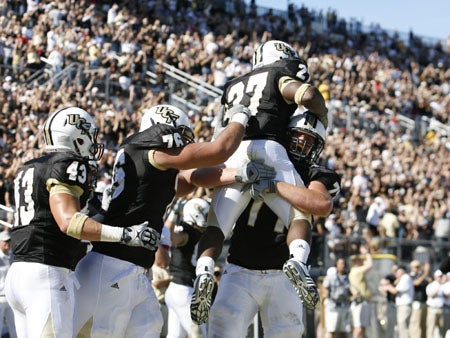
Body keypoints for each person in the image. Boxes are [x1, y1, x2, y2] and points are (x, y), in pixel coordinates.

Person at [72, 104, 272, 337]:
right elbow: (221, 149)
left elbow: (191, 179)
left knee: (150, 329)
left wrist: (239, 174)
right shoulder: (150, 149)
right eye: (182, 137)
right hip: (112, 266)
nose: (185, 144)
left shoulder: (151, 165)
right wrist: (241, 116)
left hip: (134, 270)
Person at [192, 40, 329, 323]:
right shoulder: (278, 74)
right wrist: (321, 111)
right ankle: (298, 261)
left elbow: (221, 134)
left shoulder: (233, 85)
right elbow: (307, 94)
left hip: (235, 151)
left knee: (216, 226)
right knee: (299, 215)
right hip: (270, 147)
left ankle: (204, 269)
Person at [4, 106, 158, 338]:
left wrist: (101, 211)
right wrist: (127, 235)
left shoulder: (31, 166)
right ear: (76, 135)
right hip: (47, 274)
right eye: (90, 135)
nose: (93, 142)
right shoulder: (68, 164)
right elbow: (70, 223)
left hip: (19, 273)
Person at [203, 111, 341, 337]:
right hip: (240, 268)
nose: (302, 142)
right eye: (299, 135)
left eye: (310, 139)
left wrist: (274, 186)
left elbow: (321, 203)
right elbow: (200, 176)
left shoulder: (314, 173)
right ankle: (204, 267)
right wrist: (241, 174)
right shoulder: (256, 159)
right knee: (222, 332)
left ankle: (297, 262)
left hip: (283, 274)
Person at [164, 198, 210, 338]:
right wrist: (172, 214)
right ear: (196, 214)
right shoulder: (187, 232)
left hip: (176, 289)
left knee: (175, 336)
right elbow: (169, 237)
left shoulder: (194, 232)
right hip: (183, 290)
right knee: (200, 335)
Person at [381, 265, 414, 338]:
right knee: (401, 327)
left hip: (404, 306)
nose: (396, 273)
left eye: (397, 271)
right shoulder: (401, 278)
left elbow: (395, 291)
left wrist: (387, 286)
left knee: (403, 327)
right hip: (401, 307)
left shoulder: (405, 278)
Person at [323, 258, 352, 338]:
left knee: (344, 331)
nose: (342, 265)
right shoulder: (331, 277)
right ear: (336, 265)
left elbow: (349, 292)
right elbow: (325, 287)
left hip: (344, 307)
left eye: (343, 263)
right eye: (340, 263)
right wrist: (327, 295)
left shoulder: (347, 278)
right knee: (331, 330)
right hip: (333, 307)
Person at [348, 244, 373, 338]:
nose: (362, 261)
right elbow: (369, 264)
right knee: (358, 328)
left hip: (364, 301)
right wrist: (366, 253)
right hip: (359, 302)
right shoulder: (356, 271)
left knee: (362, 328)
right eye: (360, 260)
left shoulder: (356, 270)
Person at [0, 230, 16, 338]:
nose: (7, 243)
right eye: (5, 241)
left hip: (10, 298)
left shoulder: (13, 257)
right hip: (0, 299)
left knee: (14, 328)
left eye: (9, 241)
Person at [409, 260, 430, 338]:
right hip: (416, 303)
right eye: (416, 267)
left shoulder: (421, 275)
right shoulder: (410, 276)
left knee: (423, 324)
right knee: (415, 323)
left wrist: (427, 271)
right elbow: (416, 283)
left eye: (419, 266)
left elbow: (430, 280)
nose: (418, 268)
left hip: (424, 302)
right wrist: (425, 273)